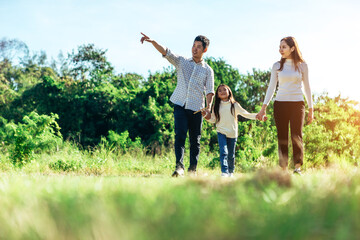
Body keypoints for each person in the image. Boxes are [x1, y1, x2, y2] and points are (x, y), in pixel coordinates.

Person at [140, 32, 215, 177]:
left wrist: (209, 107)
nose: (194, 49)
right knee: (180, 135)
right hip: (180, 104)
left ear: (204, 50)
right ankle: (179, 167)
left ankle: (192, 170)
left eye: (198, 47)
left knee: (195, 140)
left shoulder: (208, 70)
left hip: (197, 109)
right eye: (193, 45)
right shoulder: (182, 61)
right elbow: (166, 51)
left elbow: (210, 91)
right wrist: (153, 41)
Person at [256, 36, 314, 175]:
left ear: (292, 48)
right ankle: (283, 169)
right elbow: (271, 87)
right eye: (280, 47)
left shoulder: (302, 66)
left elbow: (307, 88)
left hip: (297, 104)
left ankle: (298, 167)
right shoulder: (277, 65)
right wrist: (264, 107)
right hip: (280, 104)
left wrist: (311, 109)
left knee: (296, 135)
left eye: (284, 47)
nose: (280, 49)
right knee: (282, 136)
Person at [202, 84, 265, 177]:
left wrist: (258, 116)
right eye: (220, 90)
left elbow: (246, 114)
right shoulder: (216, 105)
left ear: (229, 92)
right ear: (217, 94)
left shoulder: (234, 105)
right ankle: (224, 171)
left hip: (232, 133)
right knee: (224, 152)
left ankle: (231, 172)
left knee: (231, 155)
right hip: (221, 132)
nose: (222, 92)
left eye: (224, 90)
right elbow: (213, 120)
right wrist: (205, 116)